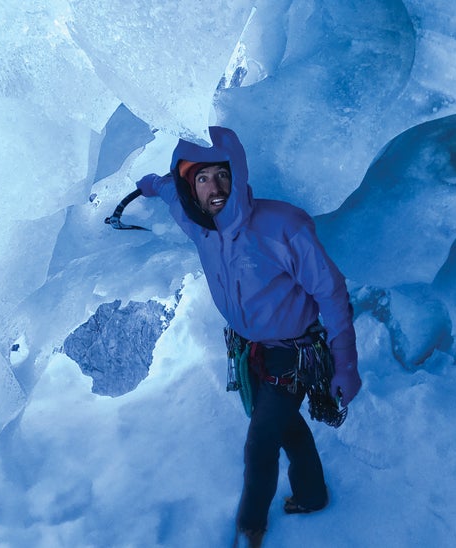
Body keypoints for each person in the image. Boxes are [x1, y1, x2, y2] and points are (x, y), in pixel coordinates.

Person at [134, 126, 361, 547]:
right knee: (284, 426)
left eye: (222, 174)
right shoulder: (199, 225)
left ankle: (249, 527)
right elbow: (170, 193)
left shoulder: (281, 226)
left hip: (296, 354)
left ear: (236, 173)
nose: (214, 188)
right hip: (251, 349)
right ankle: (312, 494)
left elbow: (330, 292)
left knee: (260, 444)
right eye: (201, 179)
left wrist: (345, 362)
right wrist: (152, 185)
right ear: (191, 187)